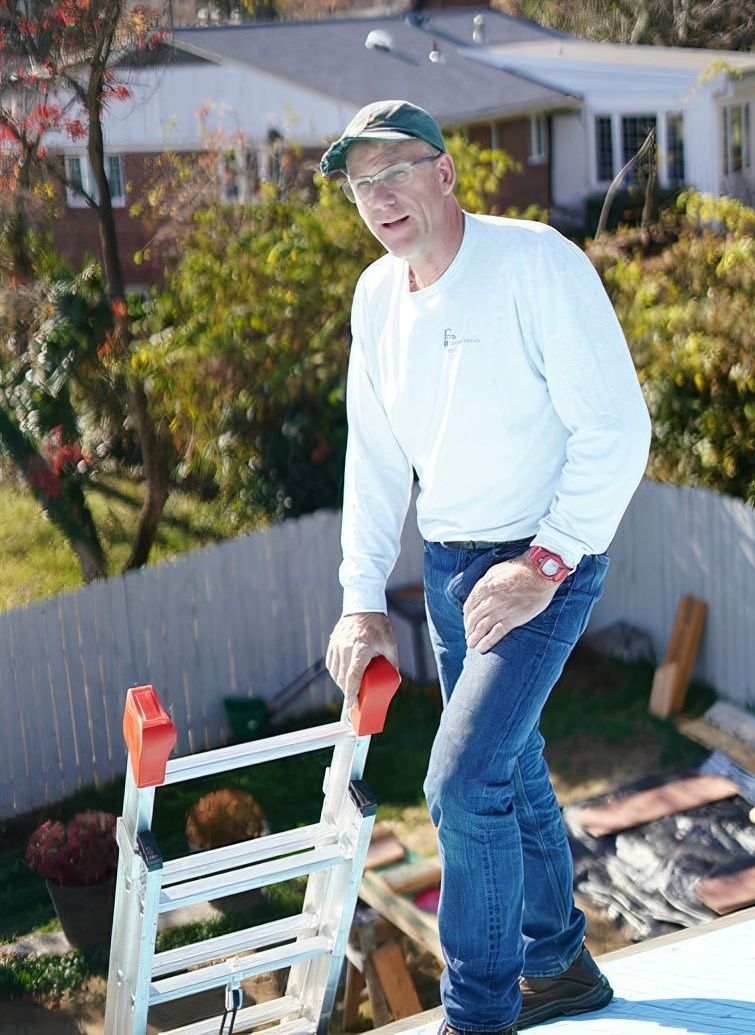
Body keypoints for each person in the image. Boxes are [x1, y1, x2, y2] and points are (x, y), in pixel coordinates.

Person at [321, 100, 651, 1035]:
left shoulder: (535, 263)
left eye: (394, 173)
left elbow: (618, 429)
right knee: (514, 767)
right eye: (358, 184)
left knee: (460, 783)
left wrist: (544, 562)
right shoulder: (375, 297)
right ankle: (560, 968)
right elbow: (375, 458)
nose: (377, 197)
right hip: (453, 566)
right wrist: (360, 601)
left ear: (446, 173)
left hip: (546, 555)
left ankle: (477, 1012)